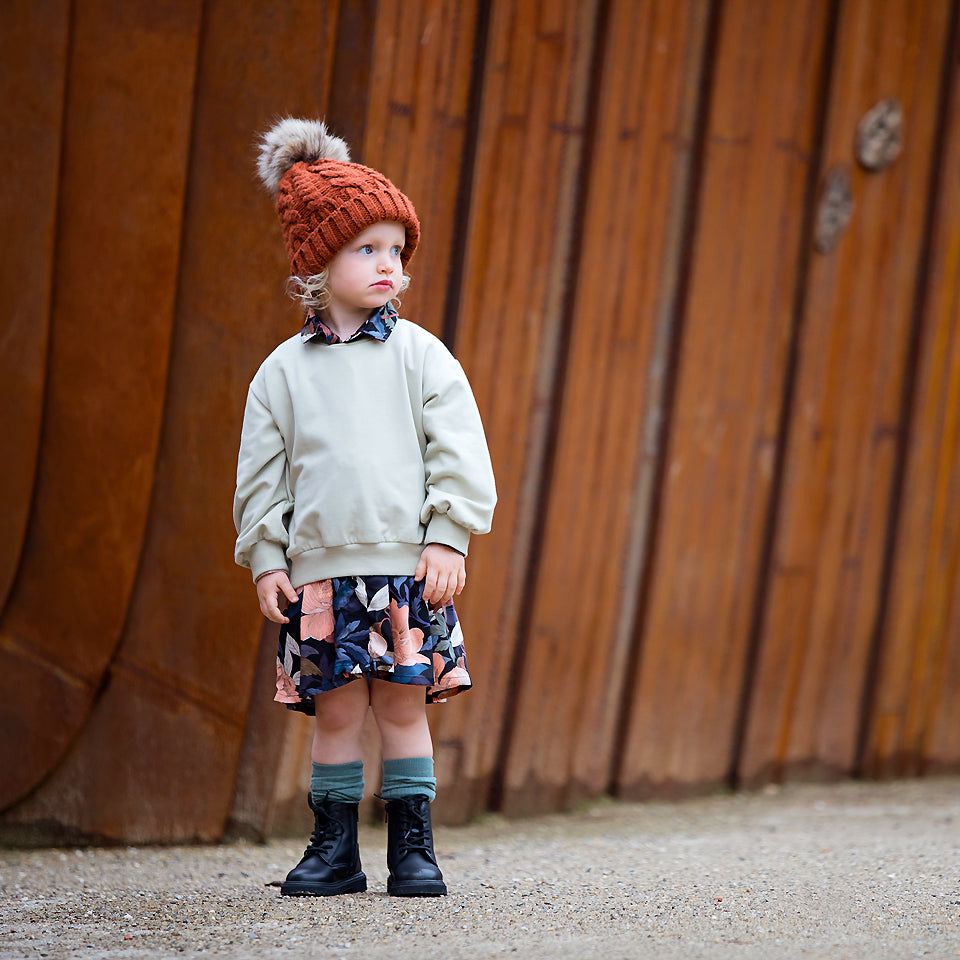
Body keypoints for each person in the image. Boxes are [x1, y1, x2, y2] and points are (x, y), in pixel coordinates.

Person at [234, 118, 496, 898]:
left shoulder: (421, 356)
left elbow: (459, 451)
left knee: (403, 712)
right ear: (317, 263)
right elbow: (261, 478)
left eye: (396, 249)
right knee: (339, 717)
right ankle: (334, 850)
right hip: (321, 581)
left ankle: (413, 850)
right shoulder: (282, 374)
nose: (389, 265)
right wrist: (267, 558)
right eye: (366, 248)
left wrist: (448, 536)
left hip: (406, 572)